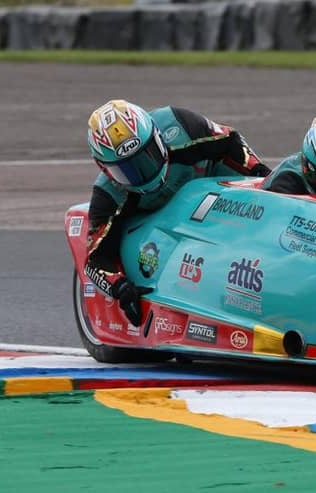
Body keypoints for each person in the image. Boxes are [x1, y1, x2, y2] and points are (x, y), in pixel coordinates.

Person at [84, 99, 270, 326]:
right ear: (105, 169)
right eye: (126, 170)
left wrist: (263, 178)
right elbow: (95, 261)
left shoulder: (181, 125)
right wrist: (120, 288)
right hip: (166, 222)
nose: (143, 172)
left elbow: (230, 140)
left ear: (157, 136)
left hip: (214, 187)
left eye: (148, 155)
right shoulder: (108, 195)